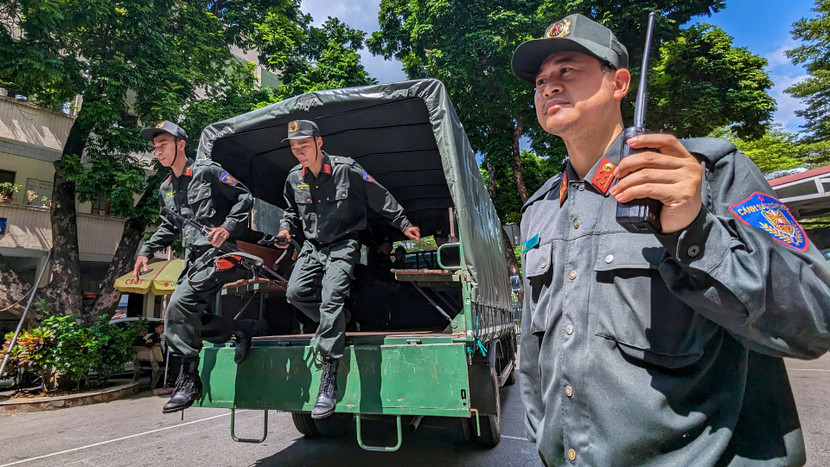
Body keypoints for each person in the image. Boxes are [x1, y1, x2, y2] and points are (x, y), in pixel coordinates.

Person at [512, 14, 830, 466]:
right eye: (541, 81)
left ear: (620, 83)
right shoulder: (540, 209)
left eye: (567, 70)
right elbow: (534, 349)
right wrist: (541, 438)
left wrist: (694, 229)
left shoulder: (710, 173)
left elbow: (814, 321)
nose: (549, 87)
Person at [276, 120, 421, 419]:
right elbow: (290, 211)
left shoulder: (345, 168)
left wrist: (404, 224)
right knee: (294, 292)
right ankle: (340, 320)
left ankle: (328, 380)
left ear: (319, 142)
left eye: (304, 144)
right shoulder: (293, 178)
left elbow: (378, 194)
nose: (298, 151)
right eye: (293, 147)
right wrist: (285, 230)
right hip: (313, 247)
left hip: (343, 245)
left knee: (331, 299)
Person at [133, 121, 258, 414]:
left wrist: (227, 227)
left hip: (223, 255)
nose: (158, 150)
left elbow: (245, 197)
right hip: (195, 260)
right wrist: (146, 251)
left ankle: (189, 380)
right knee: (183, 321)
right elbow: (168, 226)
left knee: (178, 305)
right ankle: (239, 329)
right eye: (155, 146)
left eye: (163, 144)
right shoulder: (166, 188)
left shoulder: (207, 171)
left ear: (180, 145)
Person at [134, 322, 165, 389]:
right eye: (160, 328)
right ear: (156, 329)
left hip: (146, 361)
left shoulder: (158, 337)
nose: (163, 329)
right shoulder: (152, 337)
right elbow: (148, 345)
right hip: (151, 361)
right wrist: (156, 344)